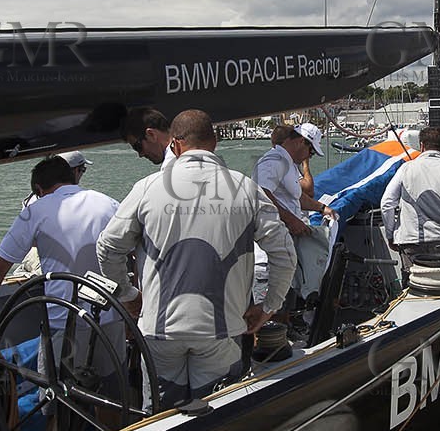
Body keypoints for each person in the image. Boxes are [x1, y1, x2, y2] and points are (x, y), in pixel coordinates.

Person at [96, 109, 295, 409]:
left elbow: (108, 247)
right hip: (222, 330)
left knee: (161, 422)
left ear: (174, 146)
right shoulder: (247, 189)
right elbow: (284, 255)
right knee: (218, 417)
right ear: (214, 142)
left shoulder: (146, 189)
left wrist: (129, 295)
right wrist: (268, 306)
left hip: (160, 332)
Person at [0, 155, 121, 327]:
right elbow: (133, 256)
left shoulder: (34, 212)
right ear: (72, 177)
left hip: (63, 319)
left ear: (39, 189)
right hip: (111, 316)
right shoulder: (110, 203)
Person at [254, 122, 338, 319]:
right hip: (268, 258)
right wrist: (292, 220)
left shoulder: (288, 165)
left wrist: (321, 208)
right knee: (267, 320)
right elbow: (260, 192)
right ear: (301, 142)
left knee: (284, 311)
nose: (310, 157)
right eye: (311, 151)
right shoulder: (274, 161)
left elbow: (297, 197)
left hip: (283, 255)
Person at [379, 126, 440, 269]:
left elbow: (387, 203)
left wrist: (390, 235)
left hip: (410, 242)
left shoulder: (405, 168)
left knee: (413, 286)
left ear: (422, 145)